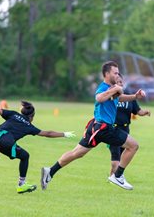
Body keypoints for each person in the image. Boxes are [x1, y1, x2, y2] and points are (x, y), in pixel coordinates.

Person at [41, 61, 146, 190]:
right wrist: (115, 89)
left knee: (77, 153)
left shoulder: (113, 89)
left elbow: (121, 98)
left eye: (118, 72)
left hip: (96, 127)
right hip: (104, 128)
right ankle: (118, 176)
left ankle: (49, 172)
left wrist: (135, 96)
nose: (118, 75)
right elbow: (99, 98)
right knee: (133, 146)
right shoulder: (104, 87)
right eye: (115, 72)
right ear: (107, 74)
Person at [108, 74, 151, 176]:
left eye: (121, 82)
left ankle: (112, 177)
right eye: (118, 82)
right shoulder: (110, 97)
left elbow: (137, 111)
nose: (121, 83)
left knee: (122, 156)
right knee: (115, 160)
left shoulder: (129, 97)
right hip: (113, 130)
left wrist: (144, 112)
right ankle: (117, 177)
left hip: (125, 129)